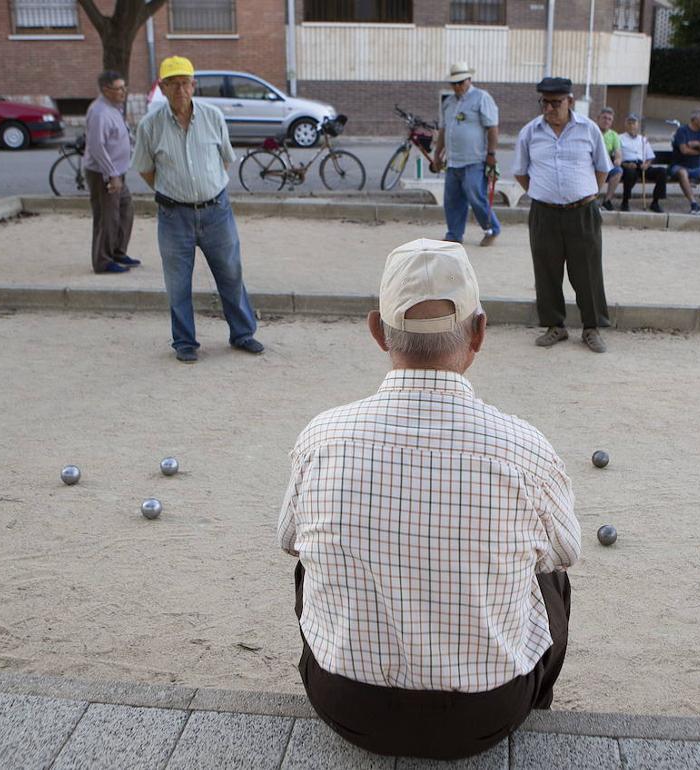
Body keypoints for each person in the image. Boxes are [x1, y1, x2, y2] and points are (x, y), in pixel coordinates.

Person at [279, 238, 580, 761]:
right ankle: (538, 703)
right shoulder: (524, 448)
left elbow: (287, 539)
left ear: (377, 331)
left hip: (345, 705)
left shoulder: (322, 437)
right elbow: (565, 551)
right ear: (479, 331)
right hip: (487, 713)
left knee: (310, 559)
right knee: (551, 577)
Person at [131, 56, 264, 362]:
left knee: (231, 273)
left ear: (193, 85)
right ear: (162, 88)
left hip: (217, 211)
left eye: (184, 83)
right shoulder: (150, 125)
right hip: (172, 216)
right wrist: (176, 192)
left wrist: (205, 188)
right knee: (177, 282)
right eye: (172, 84)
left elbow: (225, 159)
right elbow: (146, 169)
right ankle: (185, 342)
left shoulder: (213, 116)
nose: (180, 89)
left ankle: (243, 334)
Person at [513, 77, 613, 354]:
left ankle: (592, 328)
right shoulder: (530, 133)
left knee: (588, 271)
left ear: (570, 101)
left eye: (555, 103)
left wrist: (585, 192)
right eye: (544, 102)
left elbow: (602, 169)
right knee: (546, 270)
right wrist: (545, 193)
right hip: (544, 213)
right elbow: (521, 172)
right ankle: (555, 326)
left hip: (583, 211)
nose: (549, 108)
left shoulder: (589, 130)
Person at [433, 62, 501, 247]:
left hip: (475, 159)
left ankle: (491, 229)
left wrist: (491, 153)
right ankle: (454, 234)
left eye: (461, 82)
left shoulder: (481, 98)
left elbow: (492, 127)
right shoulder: (448, 102)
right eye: (454, 83)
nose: (457, 86)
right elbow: (444, 129)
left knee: (476, 196)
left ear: (469, 79)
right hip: (453, 161)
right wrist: (437, 154)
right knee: (452, 200)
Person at [82, 70, 139, 274]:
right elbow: (97, 147)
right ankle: (103, 261)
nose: (124, 91)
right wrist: (112, 175)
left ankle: (117, 251)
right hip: (104, 174)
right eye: (119, 88)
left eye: (125, 87)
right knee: (107, 217)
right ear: (106, 90)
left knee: (125, 210)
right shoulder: (99, 113)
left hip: (118, 171)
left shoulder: (113, 107)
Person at [618, 114, 666, 213]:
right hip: (628, 165)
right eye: (629, 123)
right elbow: (617, 157)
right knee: (630, 173)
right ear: (625, 125)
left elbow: (650, 157)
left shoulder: (643, 140)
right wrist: (626, 164)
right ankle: (625, 201)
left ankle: (655, 202)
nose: (631, 126)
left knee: (662, 171)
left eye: (634, 123)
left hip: (642, 166)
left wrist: (647, 164)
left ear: (637, 125)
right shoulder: (620, 138)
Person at [596, 107, 624, 210]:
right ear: (598, 118)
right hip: (591, 165)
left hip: (606, 165)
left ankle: (607, 201)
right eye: (604, 118)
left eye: (609, 119)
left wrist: (618, 159)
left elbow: (618, 152)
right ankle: (592, 199)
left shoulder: (614, 135)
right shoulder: (592, 131)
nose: (606, 121)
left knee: (618, 171)